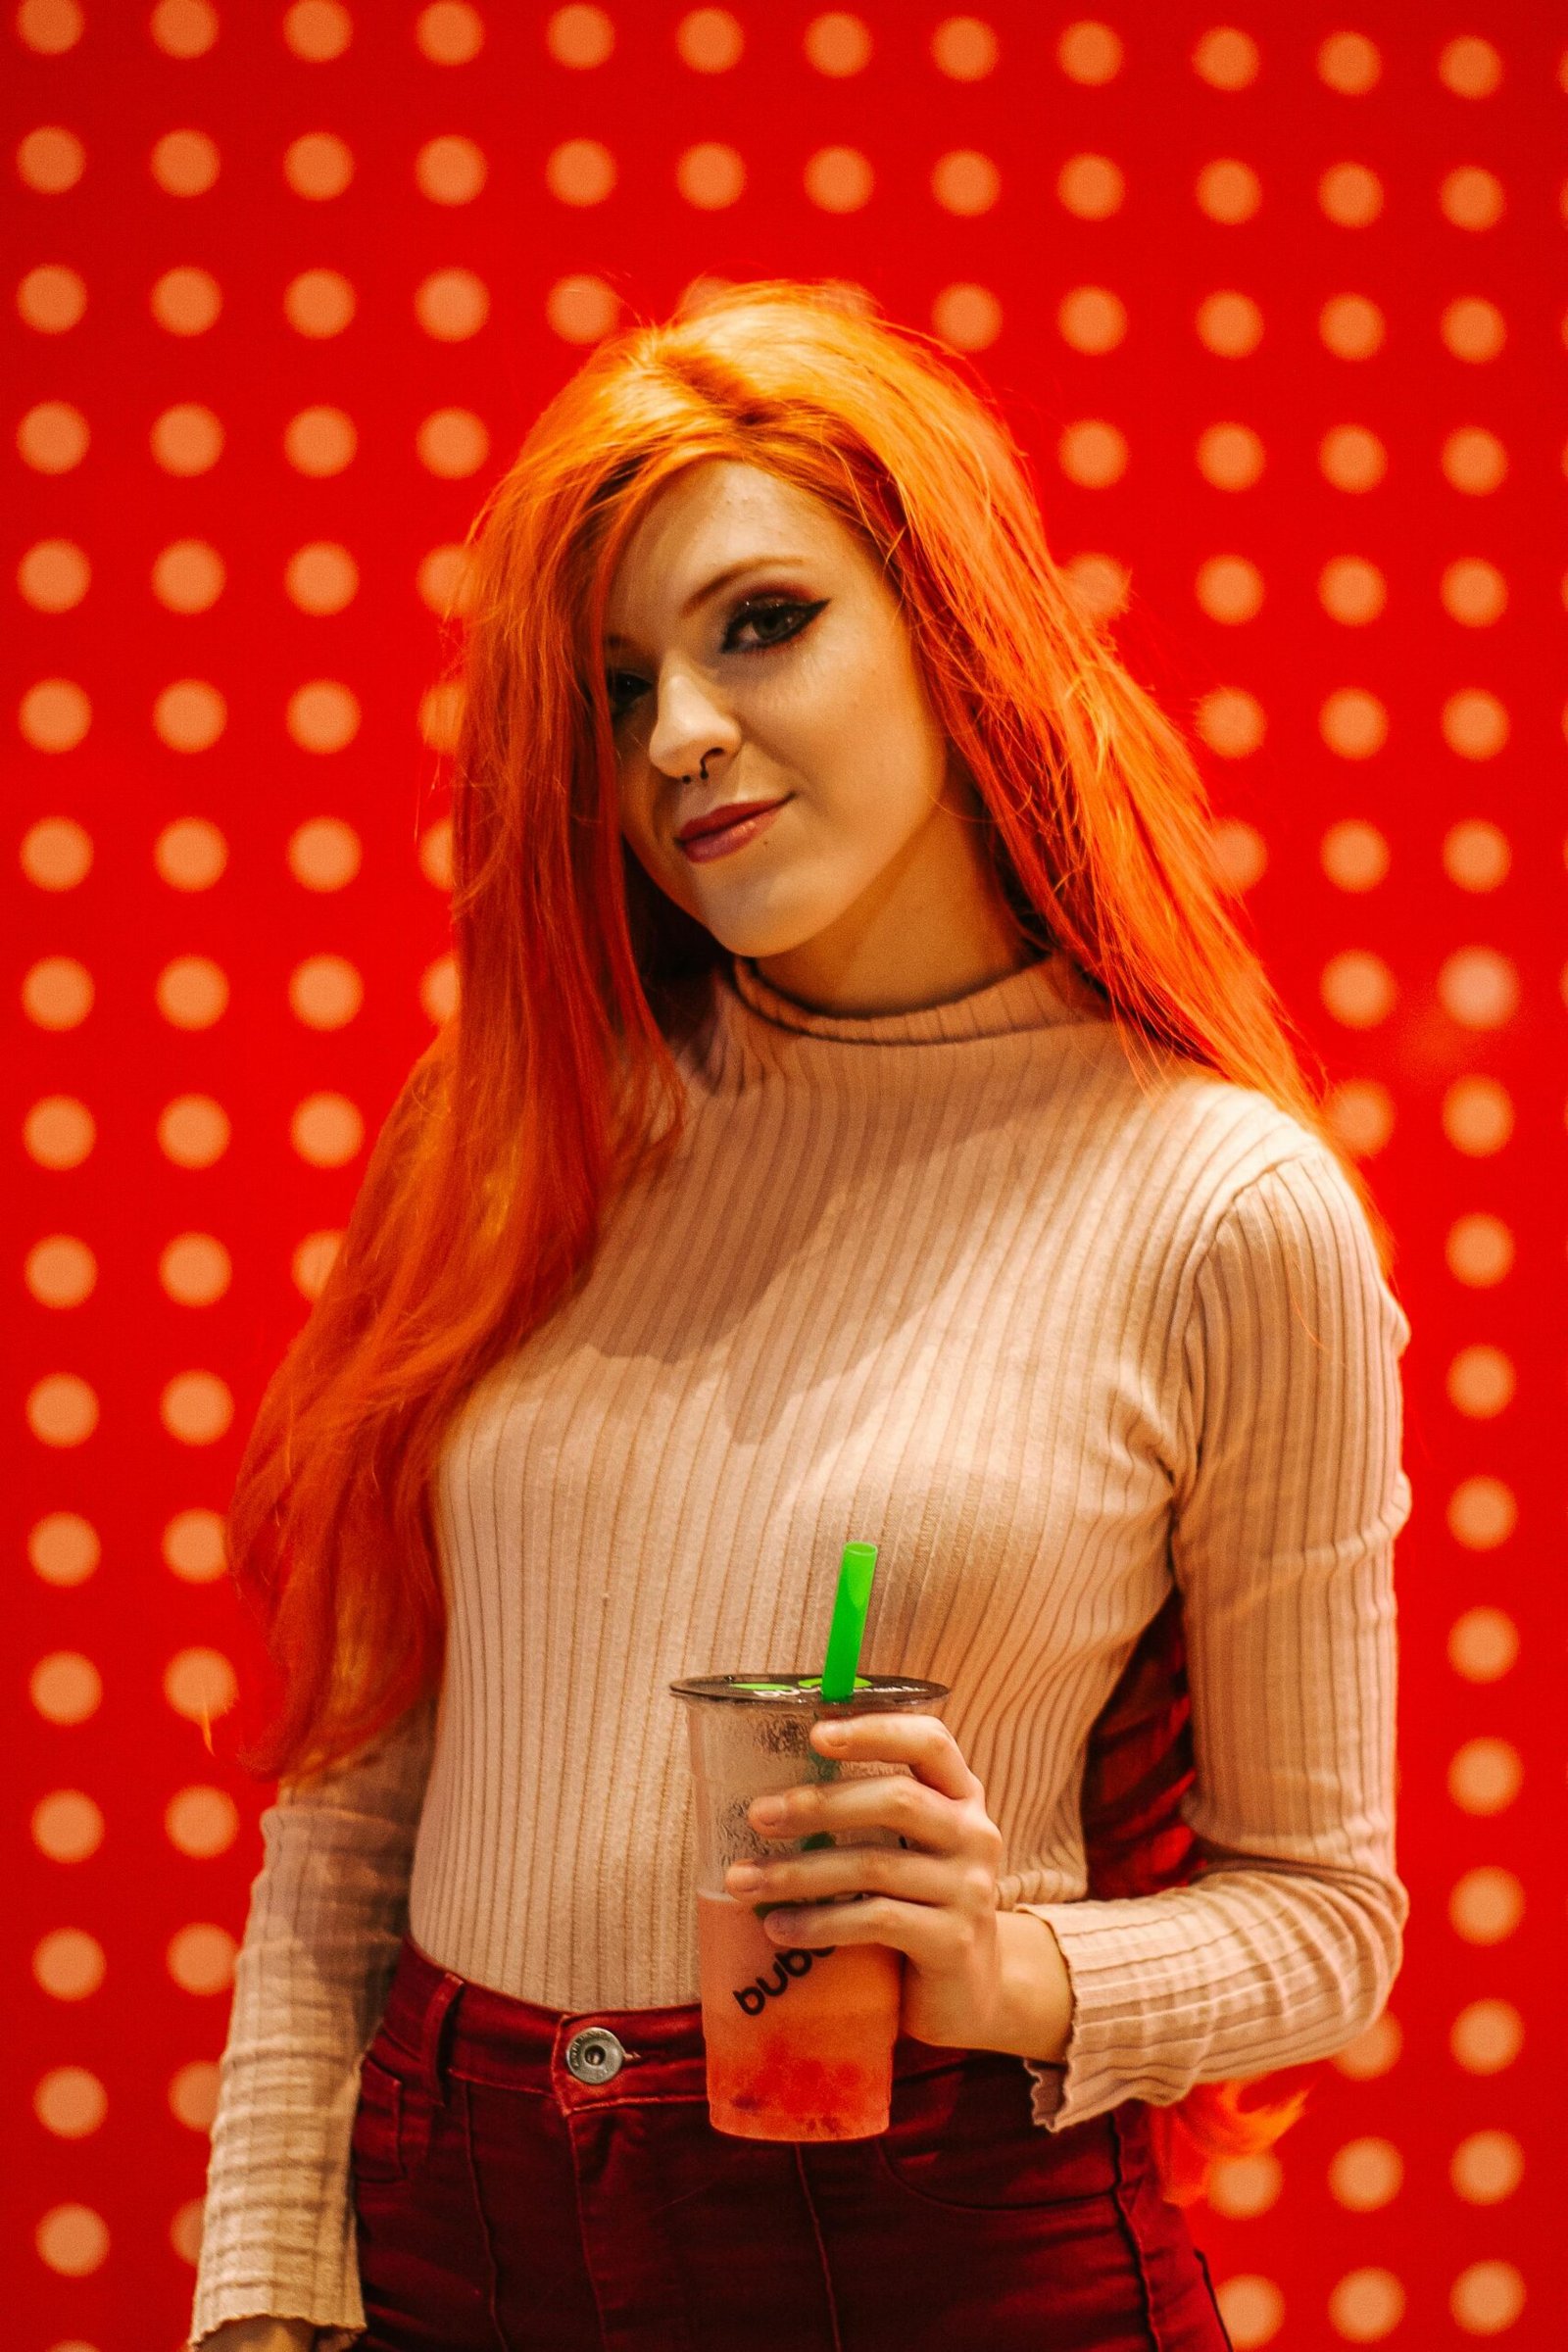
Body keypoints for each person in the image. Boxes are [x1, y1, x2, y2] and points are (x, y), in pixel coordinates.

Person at [188, 279, 1412, 2352]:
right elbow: (352, 1812)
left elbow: (1327, 1919)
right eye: (612, 685)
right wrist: (263, 2291)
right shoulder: (515, 1137)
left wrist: (1015, 1971)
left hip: (921, 2243)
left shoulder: (1216, 1205)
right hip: (443, 2231)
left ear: (948, 627)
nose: (677, 736)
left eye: (759, 623)